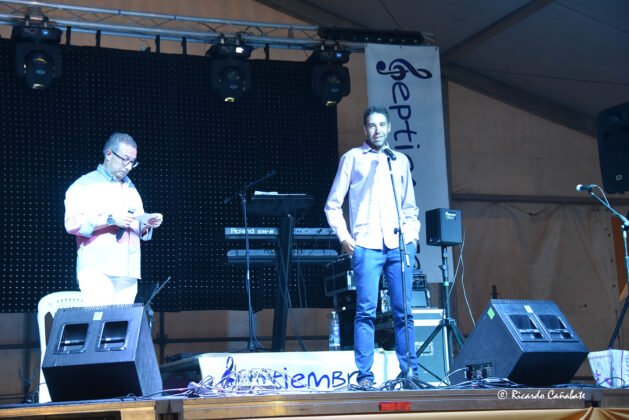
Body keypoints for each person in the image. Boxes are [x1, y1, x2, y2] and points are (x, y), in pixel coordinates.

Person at [325, 106, 420, 387]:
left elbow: (410, 206)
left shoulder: (399, 161)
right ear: (365, 129)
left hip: (399, 245)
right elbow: (332, 204)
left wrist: (412, 239)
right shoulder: (352, 158)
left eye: (382, 124)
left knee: (404, 312)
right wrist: (344, 236)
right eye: (372, 125)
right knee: (365, 311)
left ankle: (410, 374)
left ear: (389, 127)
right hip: (366, 245)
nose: (377, 130)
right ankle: (365, 377)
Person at [64, 132, 163, 306]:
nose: (129, 167)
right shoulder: (85, 185)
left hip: (128, 271)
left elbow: (136, 226)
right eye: (125, 160)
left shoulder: (131, 188)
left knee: (123, 323)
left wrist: (147, 223)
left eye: (133, 162)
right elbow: (72, 224)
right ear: (109, 154)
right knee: (100, 320)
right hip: (97, 269)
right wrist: (111, 219)